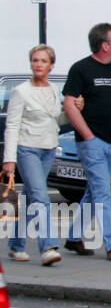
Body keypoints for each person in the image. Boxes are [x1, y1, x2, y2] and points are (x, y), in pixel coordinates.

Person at [62, 23, 111, 262]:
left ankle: (74, 237)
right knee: (103, 192)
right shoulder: (81, 69)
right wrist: (88, 136)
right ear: (105, 45)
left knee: (94, 191)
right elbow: (70, 104)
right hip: (92, 142)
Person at [3, 45, 64, 265]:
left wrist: (78, 106)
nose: (38, 64)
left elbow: (55, 119)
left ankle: (16, 245)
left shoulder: (55, 90)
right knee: (41, 197)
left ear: (51, 65)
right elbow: (12, 125)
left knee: (30, 198)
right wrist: (9, 159)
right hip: (27, 148)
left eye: (43, 61)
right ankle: (47, 247)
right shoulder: (21, 91)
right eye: (35, 60)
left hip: (48, 149)